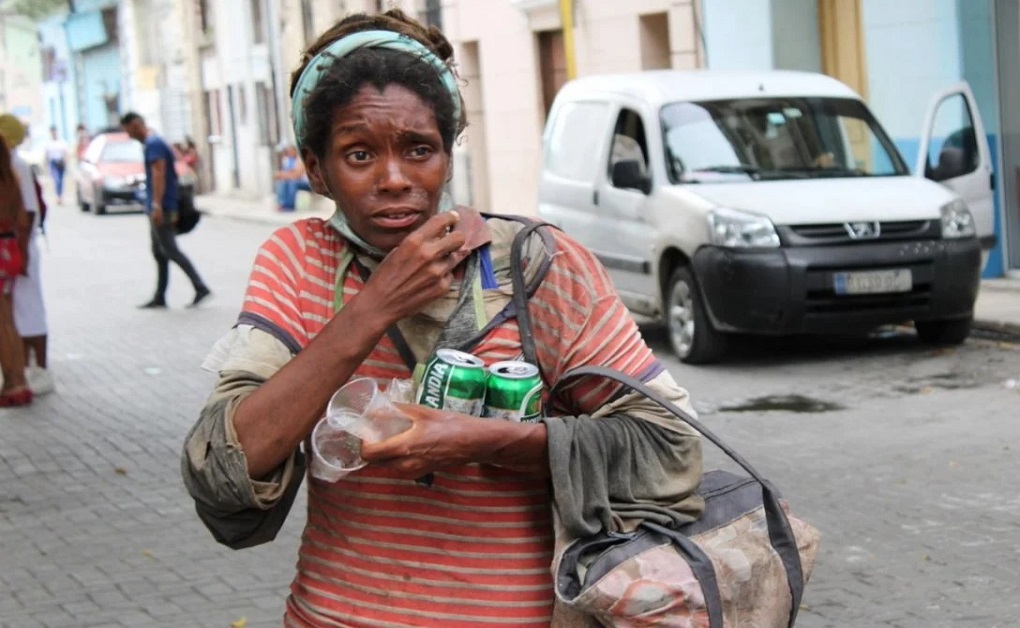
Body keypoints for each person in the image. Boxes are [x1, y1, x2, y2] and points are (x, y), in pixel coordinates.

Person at [180, 9, 704, 626]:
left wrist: (485, 442)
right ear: (316, 168)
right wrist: (375, 308)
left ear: (448, 155)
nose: (395, 179)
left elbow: (671, 446)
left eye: (418, 149)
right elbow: (226, 468)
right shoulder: (299, 262)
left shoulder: (538, 266)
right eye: (358, 154)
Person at [119, 112, 211, 309]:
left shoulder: (154, 144)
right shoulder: (154, 143)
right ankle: (160, 295)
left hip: (164, 206)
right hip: (161, 204)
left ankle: (200, 286)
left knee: (170, 250)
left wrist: (157, 205)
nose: (127, 134)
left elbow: (159, 174)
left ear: (135, 125)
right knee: (159, 251)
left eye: (127, 129)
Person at [0, 114, 53, 396]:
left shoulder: (15, 166)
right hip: (14, 251)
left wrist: (21, 255)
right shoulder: (10, 167)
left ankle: (33, 370)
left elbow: (28, 213)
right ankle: (20, 371)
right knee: (14, 316)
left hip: (16, 251)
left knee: (24, 313)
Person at [0, 131, 33, 406]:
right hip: (9, 250)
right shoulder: (13, 179)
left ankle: (11, 382)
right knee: (9, 320)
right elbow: (22, 221)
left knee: (2, 323)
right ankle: (19, 380)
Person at [273, 143, 311, 212]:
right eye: (288, 151)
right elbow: (281, 174)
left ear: (295, 151)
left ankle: (290, 205)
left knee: (292, 182)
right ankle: (282, 204)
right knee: (282, 182)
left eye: (291, 151)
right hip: (293, 180)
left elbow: (297, 175)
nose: (289, 153)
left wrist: (284, 175)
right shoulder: (287, 160)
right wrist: (284, 175)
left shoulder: (300, 160)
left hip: (306, 183)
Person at [44, 126, 69, 205]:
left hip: (60, 162)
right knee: (56, 180)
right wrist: (46, 164)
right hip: (53, 162)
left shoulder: (61, 142)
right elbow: (46, 154)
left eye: (54, 132)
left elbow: (65, 153)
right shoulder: (49, 143)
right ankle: (58, 196)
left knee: (61, 180)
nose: (53, 134)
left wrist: (66, 162)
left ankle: (60, 196)